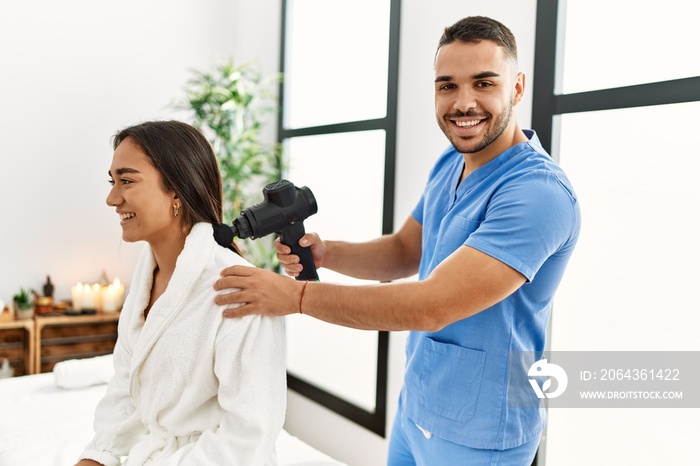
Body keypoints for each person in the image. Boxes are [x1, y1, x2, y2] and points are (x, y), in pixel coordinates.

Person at [214, 16, 581, 465]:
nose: (463, 103)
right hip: (419, 406)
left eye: (483, 83)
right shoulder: (452, 161)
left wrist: (297, 297)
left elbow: (431, 306)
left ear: (518, 87)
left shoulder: (537, 194)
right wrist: (328, 254)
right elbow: (407, 250)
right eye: (447, 86)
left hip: (482, 434)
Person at [75, 121, 286, 466]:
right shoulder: (147, 280)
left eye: (126, 181)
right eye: (112, 182)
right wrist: (97, 456)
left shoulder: (240, 288)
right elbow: (127, 390)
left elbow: (248, 437)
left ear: (176, 191)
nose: (112, 198)